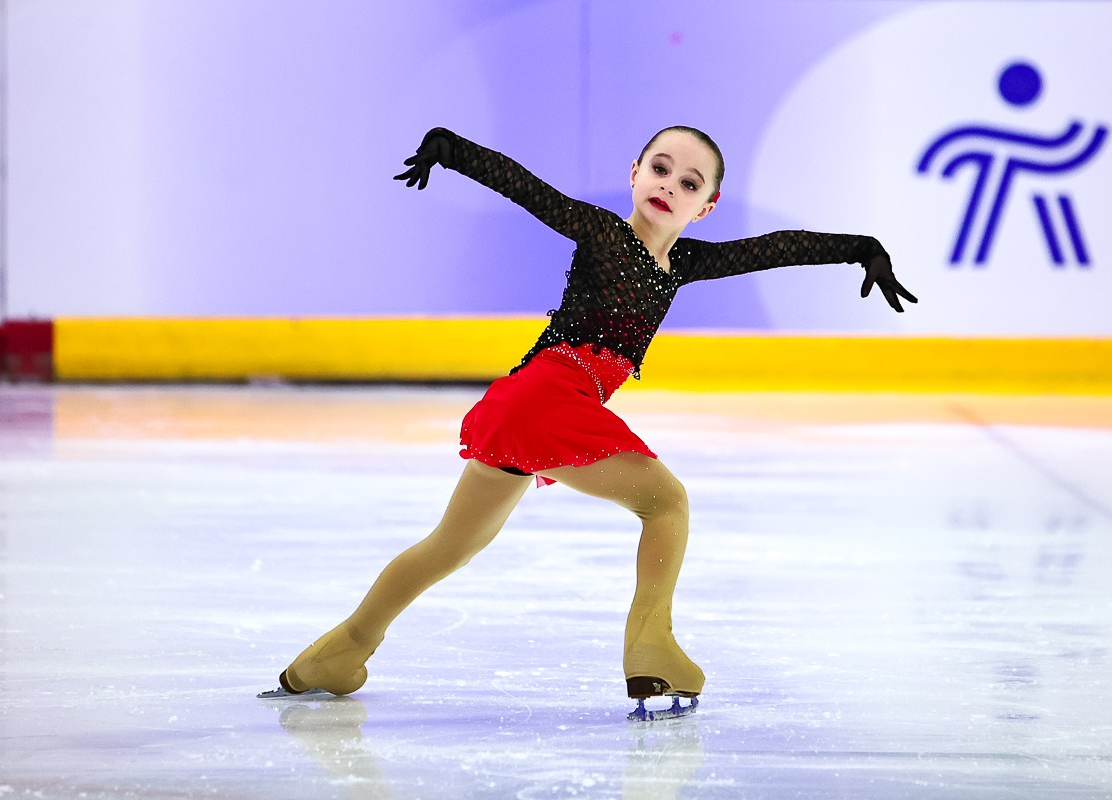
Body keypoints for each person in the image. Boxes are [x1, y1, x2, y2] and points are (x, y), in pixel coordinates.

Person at [262, 126, 917, 718]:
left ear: (706, 206)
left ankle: (337, 655)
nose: (670, 186)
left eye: (689, 183)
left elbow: (774, 248)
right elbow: (529, 190)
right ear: (634, 172)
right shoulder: (605, 234)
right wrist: (448, 149)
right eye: (660, 169)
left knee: (452, 546)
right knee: (667, 505)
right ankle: (650, 649)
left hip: (529, 402)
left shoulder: (684, 265)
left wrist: (863, 248)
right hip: (549, 394)